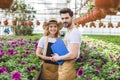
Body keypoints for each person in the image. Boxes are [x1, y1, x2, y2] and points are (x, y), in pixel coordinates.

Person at [52, 8, 82, 80]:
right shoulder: (68, 32)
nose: (64, 20)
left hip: (69, 64)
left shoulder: (74, 33)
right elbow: (66, 47)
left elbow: (73, 54)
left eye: (66, 18)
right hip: (63, 63)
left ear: (72, 17)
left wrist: (59, 58)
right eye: (62, 18)